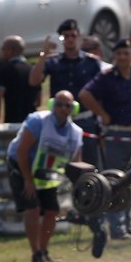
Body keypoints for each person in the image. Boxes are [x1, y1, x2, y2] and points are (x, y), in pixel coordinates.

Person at [79, 39, 131, 254]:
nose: (123, 57)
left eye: (126, 52)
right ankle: (116, 226)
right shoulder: (106, 77)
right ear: (114, 56)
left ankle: (127, 225)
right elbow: (85, 94)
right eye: (119, 53)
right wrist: (102, 114)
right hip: (115, 135)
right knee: (115, 181)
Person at [6, 90, 83, 262]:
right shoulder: (37, 122)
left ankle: (44, 250)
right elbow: (22, 151)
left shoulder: (76, 133)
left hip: (46, 171)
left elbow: (76, 162)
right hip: (21, 165)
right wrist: (28, 180)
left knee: (51, 211)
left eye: (68, 105)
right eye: (59, 104)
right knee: (32, 208)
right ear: (52, 105)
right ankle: (36, 254)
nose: (63, 108)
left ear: (74, 108)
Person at [30, 19, 104, 166]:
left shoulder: (92, 62)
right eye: (65, 36)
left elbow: (100, 93)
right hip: (59, 121)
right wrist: (43, 55)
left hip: (85, 120)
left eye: (73, 35)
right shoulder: (53, 61)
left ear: (79, 36)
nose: (70, 39)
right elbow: (34, 81)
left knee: (87, 164)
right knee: (57, 163)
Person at [0, 36, 41, 124]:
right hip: (32, 124)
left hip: (12, 121)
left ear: (10, 50)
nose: (2, 51)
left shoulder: (3, 70)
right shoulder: (33, 69)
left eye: (3, 48)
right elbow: (38, 101)